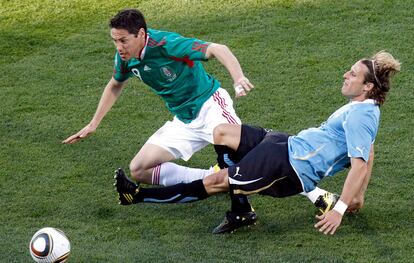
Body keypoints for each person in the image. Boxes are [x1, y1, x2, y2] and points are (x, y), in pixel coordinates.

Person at [114, 51, 401, 235]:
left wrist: (339, 209)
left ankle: (136, 196)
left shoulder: (362, 116)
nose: (345, 75)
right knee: (222, 133)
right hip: (286, 143)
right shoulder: (362, 108)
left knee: (217, 182)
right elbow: (369, 147)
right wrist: (358, 198)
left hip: (289, 167)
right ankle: (241, 209)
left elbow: (359, 165)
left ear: (368, 87)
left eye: (353, 74)